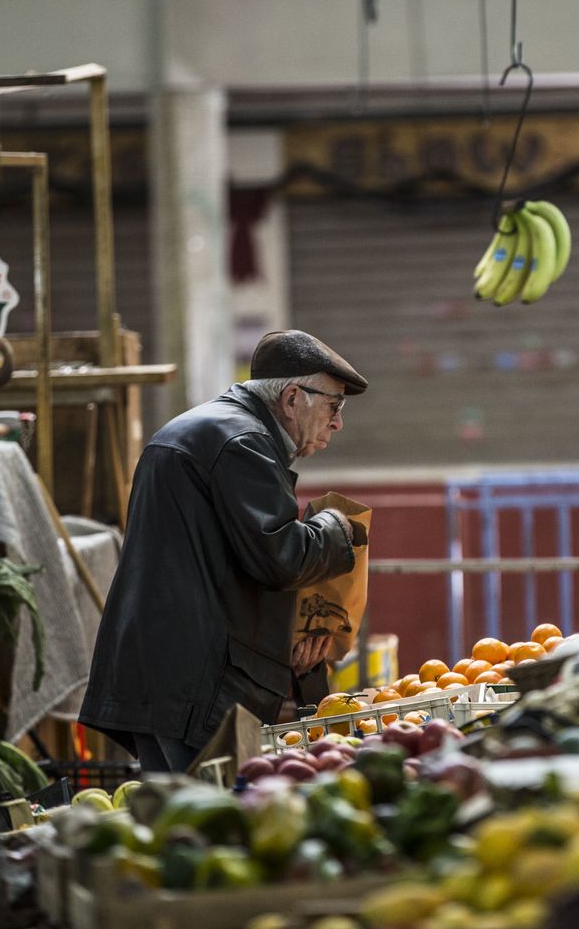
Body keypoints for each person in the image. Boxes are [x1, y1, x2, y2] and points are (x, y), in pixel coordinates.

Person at [79, 330, 368, 772]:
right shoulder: (243, 443)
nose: (338, 423)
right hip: (195, 684)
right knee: (208, 819)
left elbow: (224, 565)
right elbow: (281, 557)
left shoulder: (209, 429)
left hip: (159, 674)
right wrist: (335, 527)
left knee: (179, 818)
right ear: (292, 398)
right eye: (334, 406)